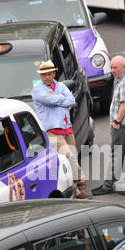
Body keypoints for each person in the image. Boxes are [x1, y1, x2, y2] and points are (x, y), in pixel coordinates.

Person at [32, 60, 91, 199]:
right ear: (40, 76)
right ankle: (80, 180)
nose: (47, 77)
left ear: (54, 73)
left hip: (66, 127)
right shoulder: (38, 89)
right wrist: (60, 99)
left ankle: (76, 191)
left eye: (49, 74)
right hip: (51, 130)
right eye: (44, 74)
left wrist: (57, 99)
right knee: (68, 156)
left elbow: (71, 101)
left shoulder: (59, 86)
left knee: (72, 157)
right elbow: (49, 100)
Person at [92, 55, 125, 195]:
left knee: (116, 154)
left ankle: (108, 186)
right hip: (124, 124)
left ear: (124, 67)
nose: (112, 71)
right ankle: (113, 182)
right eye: (111, 67)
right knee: (117, 154)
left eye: (115, 68)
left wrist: (116, 122)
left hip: (122, 124)